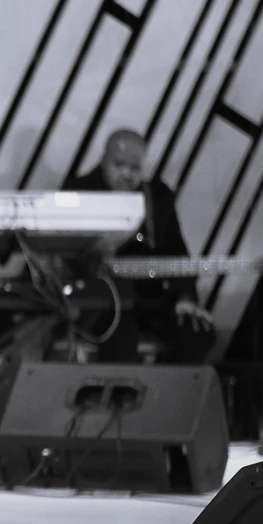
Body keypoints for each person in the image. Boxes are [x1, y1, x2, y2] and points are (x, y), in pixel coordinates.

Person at [69, 128, 213, 363]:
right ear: (103, 160)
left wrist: (185, 297)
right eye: (119, 164)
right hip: (100, 302)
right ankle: (118, 388)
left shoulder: (157, 197)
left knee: (198, 333)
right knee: (121, 336)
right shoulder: (79, 193)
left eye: (135, 167)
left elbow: (177, 254)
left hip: (151, 300)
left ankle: (165, 385)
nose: (127, 173)